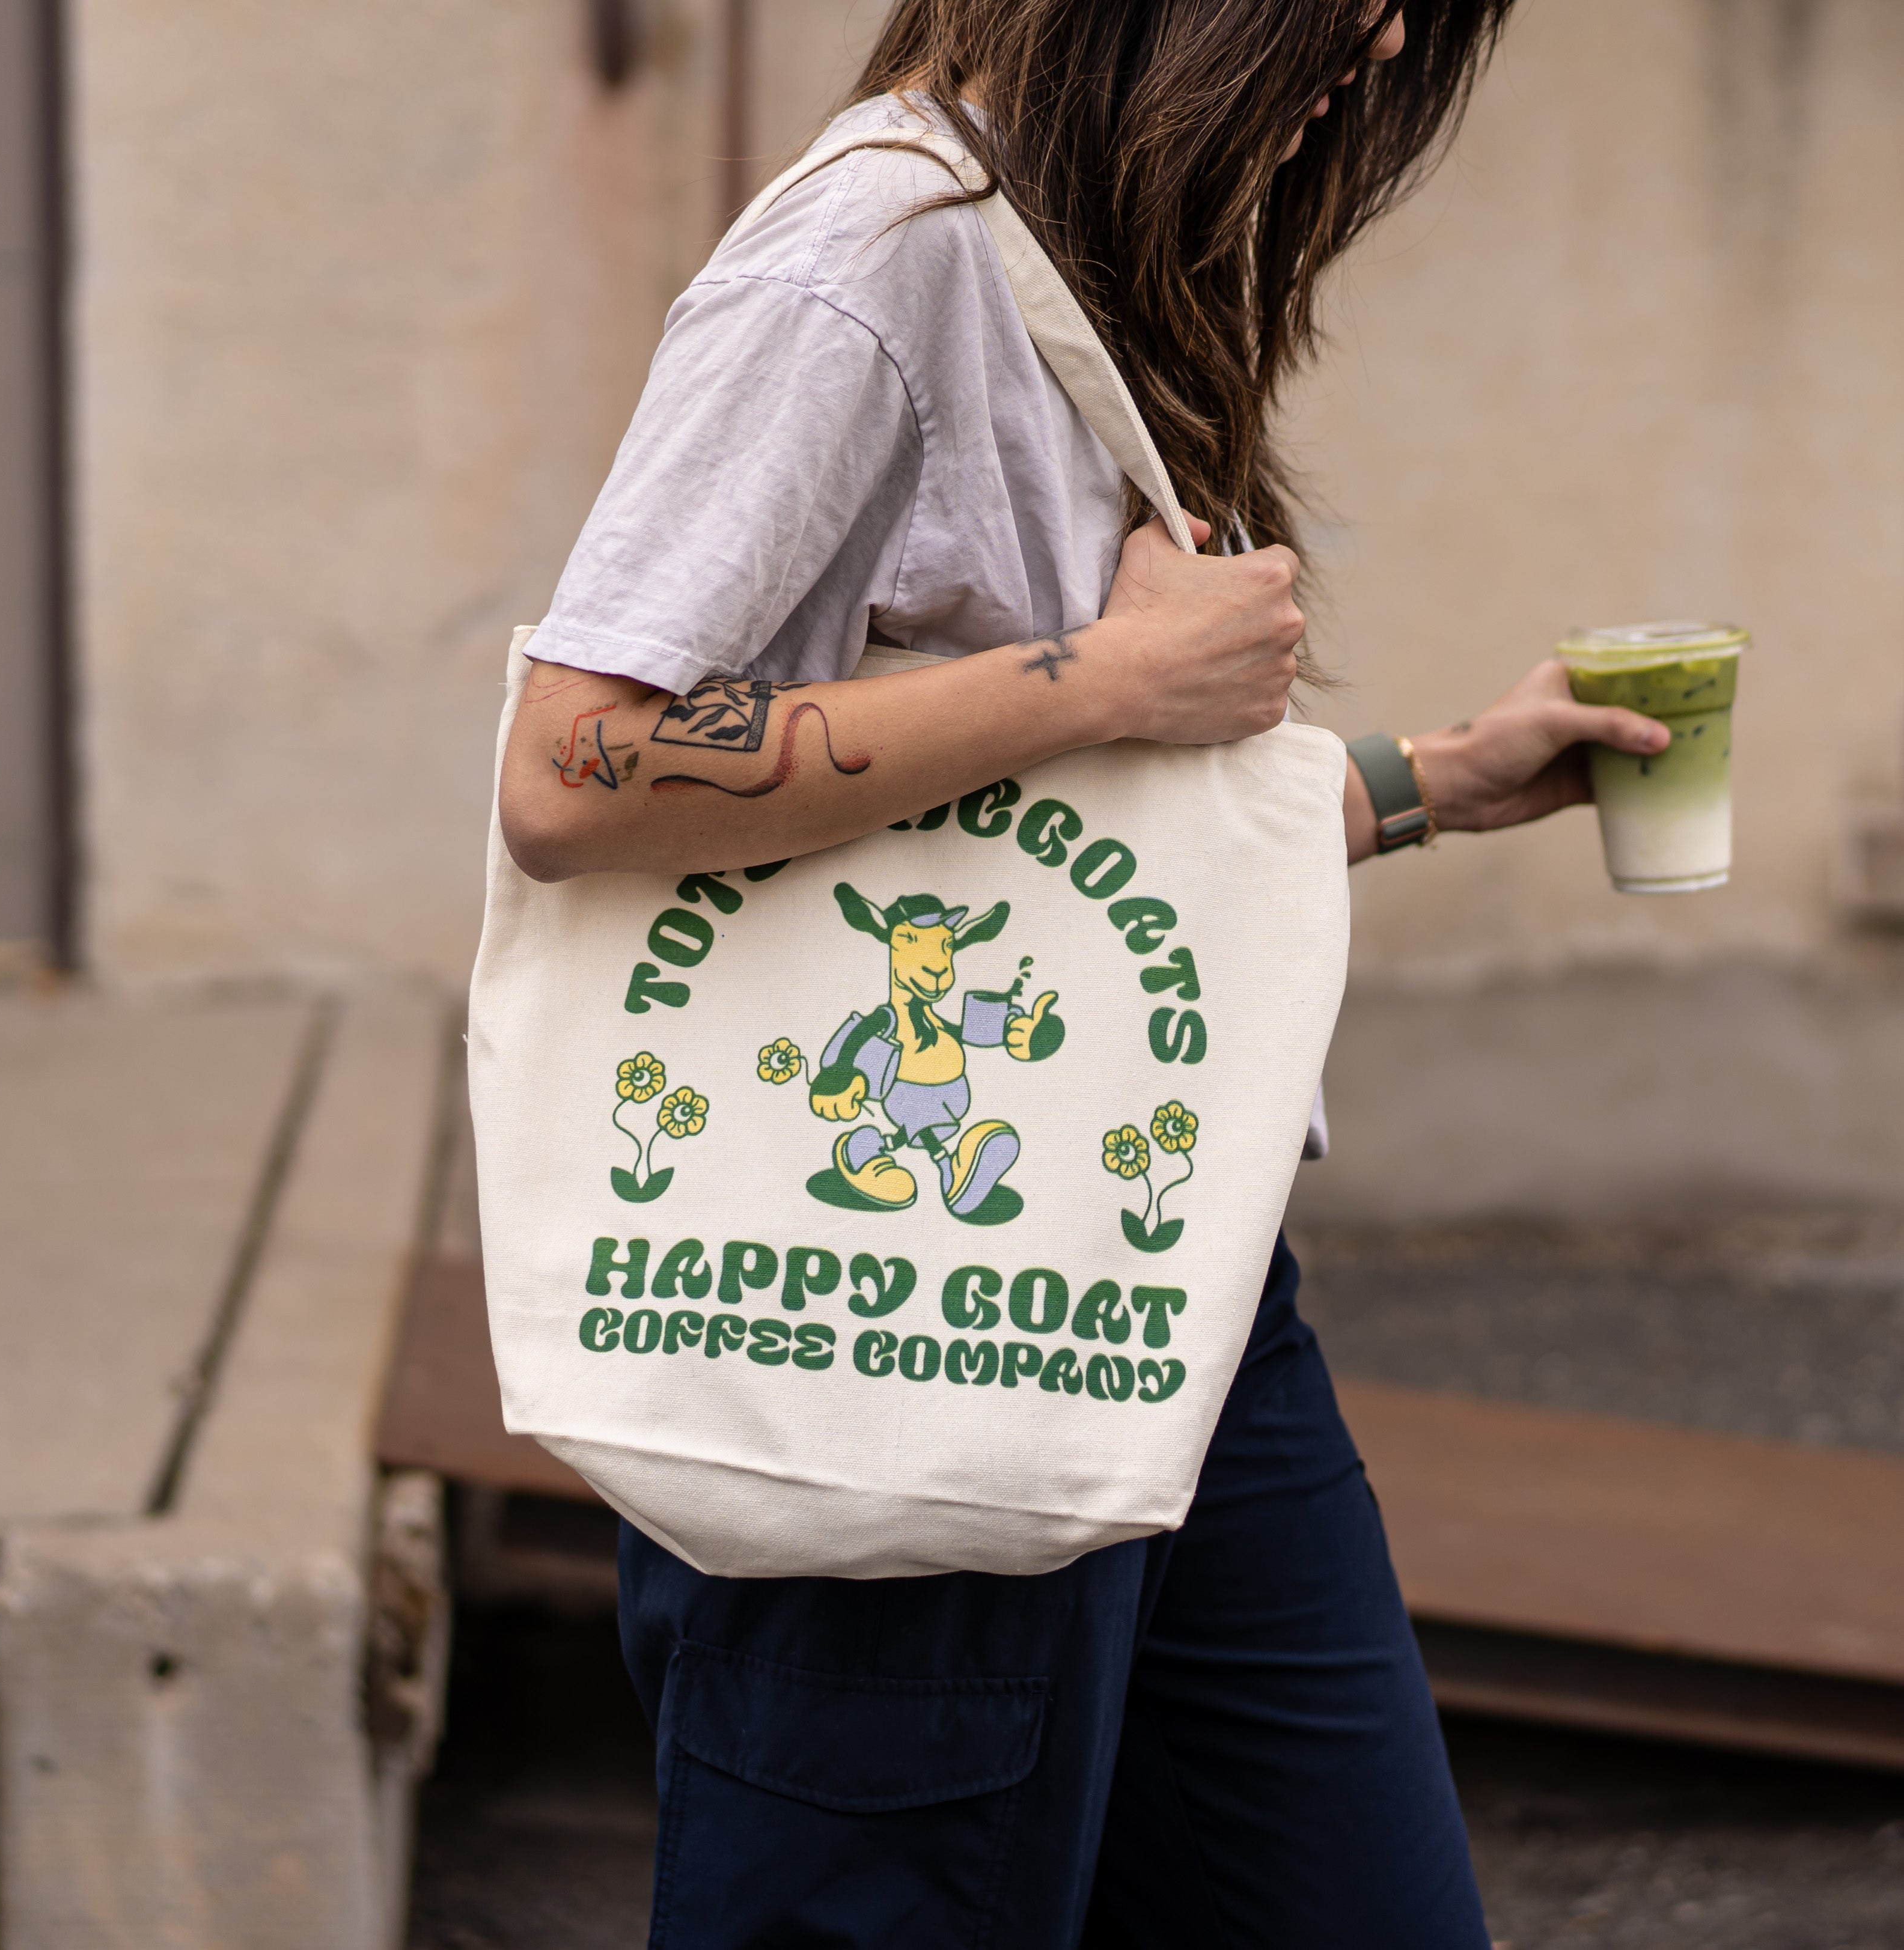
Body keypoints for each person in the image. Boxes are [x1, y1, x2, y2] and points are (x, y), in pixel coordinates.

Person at [498, 3, 1671, 1943]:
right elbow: (573, 766)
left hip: (1162, 1295)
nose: (1386, 30)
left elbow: (1045, 850)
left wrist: (1438, 782)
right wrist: (1110, 675)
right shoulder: (872, 256)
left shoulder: (1049, 256)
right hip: (884, 1324)